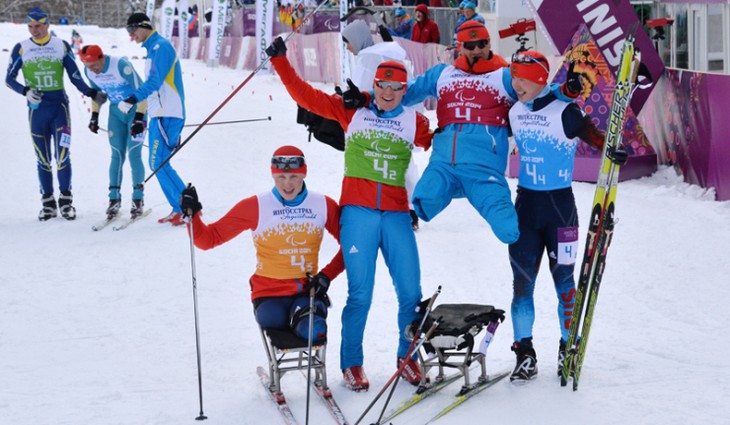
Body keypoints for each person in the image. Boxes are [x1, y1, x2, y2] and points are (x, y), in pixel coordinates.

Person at [266, 37, 434, 392]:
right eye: (382, 85)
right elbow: (306, 97)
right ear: (374, 85)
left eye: (396, 87)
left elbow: (443, 139)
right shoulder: (353, 110)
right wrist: (281, 61)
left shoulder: (414, 121)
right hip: (358, 213)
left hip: (396, 214)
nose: (388, 92)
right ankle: (352, 363)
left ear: (406, 90)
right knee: (361, 293)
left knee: (410, 292)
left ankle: (408, 358)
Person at [506, 51, 628, 383]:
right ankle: (524, 353)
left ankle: (567, 347)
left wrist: (614, 151)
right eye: (514, 77)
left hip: (561, 211)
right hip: (525, 208)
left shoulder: (566, 113)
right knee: (522, 286)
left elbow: (598, 139)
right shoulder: (514, 111)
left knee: (565, 285)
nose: (517, 84)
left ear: (541, 79)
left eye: (525, 78)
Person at [179, 146, 344, 345]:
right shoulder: (256, 206)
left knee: (314, 330)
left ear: (304, 173)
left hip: (306, 291)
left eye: (294, 176)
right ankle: (297, 320)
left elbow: (352, 248)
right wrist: (193, 214)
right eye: (281, 177)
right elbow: (208, 239)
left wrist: (326, 276)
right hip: (268, 294)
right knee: (274, 319)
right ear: (273, 176)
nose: (288, 184)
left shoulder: (322, 204)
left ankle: (303, 322)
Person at [396, 21, 520, 246]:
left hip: (484, 170)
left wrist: (566, 92)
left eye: (481, 44)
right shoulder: (443, 74)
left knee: (508, 230)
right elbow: (401, 93)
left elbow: (539, 94)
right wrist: (366, 97)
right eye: (470, 45)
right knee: (424, 201)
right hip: (444, 166)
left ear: (489, 43)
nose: (476, 50)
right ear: (459, 47)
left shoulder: (506, 76)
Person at [5, 7, 107, 221]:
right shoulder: (21, 48)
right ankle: (48, 202)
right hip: (37, 111)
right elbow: (9, 79)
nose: (35, 30)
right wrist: (25, 91)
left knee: (62, 157)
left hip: (59, 108)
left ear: (47, 24)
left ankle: (66, 201)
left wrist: (90, 92)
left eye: (39, 26)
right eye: (31, 26)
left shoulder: (60, 45)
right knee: (42, 158)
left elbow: (75, 76)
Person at [342, 19, 422, 231]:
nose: (347, 47)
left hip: (384, 116)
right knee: (402, 161)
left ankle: (400, 206)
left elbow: (362, 92)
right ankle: (410, 206)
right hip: (400, 112)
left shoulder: (369, 57)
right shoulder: (381, 52)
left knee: (391, 160)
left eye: (347, 41)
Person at [121, 12, 188, 226]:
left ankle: (186, 207)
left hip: (168, 112)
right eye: (128, 32)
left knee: (158, 163)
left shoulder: (161, 47)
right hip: (159, 113)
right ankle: (181, 206)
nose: (132, 36)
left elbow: (155, 81)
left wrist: (132, 98)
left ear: (143, 26)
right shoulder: (152, 48)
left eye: (132, 30)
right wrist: (143, 114)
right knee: (159, 162)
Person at [79, 45, 148, 219]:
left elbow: (143, 91)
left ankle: (138, 199)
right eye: (88, 67)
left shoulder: (121, 66)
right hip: (116, 113)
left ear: (102, 57)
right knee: (117, 154)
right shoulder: (89, 72)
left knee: (134, 154)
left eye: (95, 65)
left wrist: (139, 117)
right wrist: (94, 116)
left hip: (135, 110)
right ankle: (114, 199)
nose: (93, 70)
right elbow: (98, 95)